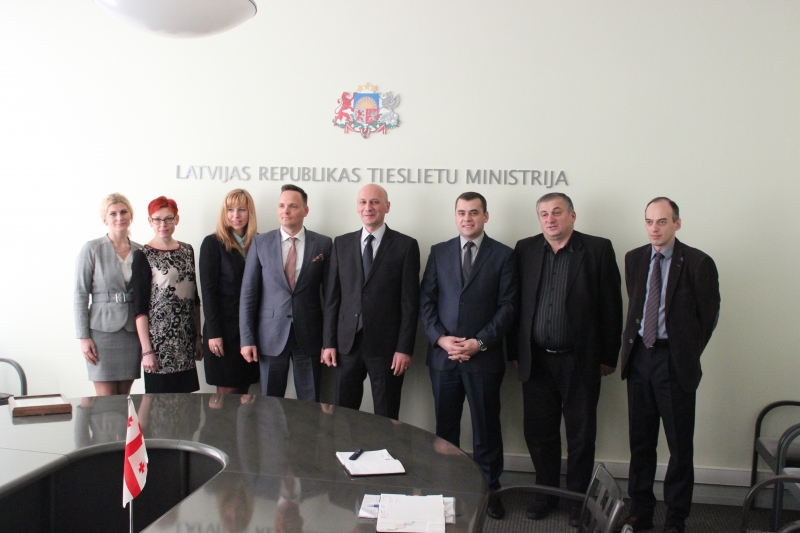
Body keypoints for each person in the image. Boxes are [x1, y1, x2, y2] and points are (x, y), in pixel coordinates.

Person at [510, 192, 622, 526]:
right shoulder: (525, 249)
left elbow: (612, 307)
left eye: (557, 212)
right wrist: (514, 352)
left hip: (580, 361)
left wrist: (608, 356)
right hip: (536, 361)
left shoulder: (597, 249)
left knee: (581, 436)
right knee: (539, 434)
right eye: (544, 214)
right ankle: (545, 495)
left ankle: (577, 502)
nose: (550, 219)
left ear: (572, 216)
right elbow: (515, 304)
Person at [618, 198, 720, 533]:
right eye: (649, 221)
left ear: (677, 223)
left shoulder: (698, 262)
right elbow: (636, 305)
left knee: (679, 446)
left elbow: (708, 317)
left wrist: (684, 353)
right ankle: (640, 513)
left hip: (674, 362)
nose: (654, 228)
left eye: (662, 221)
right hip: (640, 359)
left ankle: (676, 519)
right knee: (641, 443)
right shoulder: (634, 258)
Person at [419, 192, 518, 520]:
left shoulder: (503, 255)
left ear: (485, 216)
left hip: (483, 359)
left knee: (486, 429)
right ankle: (447, 487)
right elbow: (426, 301)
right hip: (443, 358)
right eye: (461, 212)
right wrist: (440, 339)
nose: (467, 218)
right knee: (445, 428)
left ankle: (490, 492)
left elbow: (508, 307)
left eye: (474, 212)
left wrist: (480, 342)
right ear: (455, 216)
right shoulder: (439, 252)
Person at [322, 184, 420, 420]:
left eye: (375, 202)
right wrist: (328, 343)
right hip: (347, 346)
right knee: (343, 416)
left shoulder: (406, 246)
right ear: (357, 207)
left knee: (386, 416)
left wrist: (404, 348)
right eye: (363, 202)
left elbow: (410, 303)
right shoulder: (341, 243)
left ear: (387, 206)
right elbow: (332, 298)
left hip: (387, 349)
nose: (368, 207)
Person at [240, 184, 332, 401]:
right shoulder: (260, 243)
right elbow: (248, 294)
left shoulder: (323, 244)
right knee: (269, 404)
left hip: (309, 336)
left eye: (292, 206)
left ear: (305, 210)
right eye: (281, 205)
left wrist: (329, 341)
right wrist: (247, 339)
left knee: (310, 405)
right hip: (270, 336)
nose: (285, 211)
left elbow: (330, 298)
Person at [132, 196, 203, 393]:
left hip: (185, 341)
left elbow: (195, 299)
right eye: (157, 219)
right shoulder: (143, 255)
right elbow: (139, 308)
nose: (163, 224)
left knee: (187, 405)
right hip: (159, 344)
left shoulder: (187, 250)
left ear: (176, 219)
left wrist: (198, 337)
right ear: (150, 221)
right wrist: (146, 350)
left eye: (168, 219)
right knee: (160, 405)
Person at [74, 193, 142, 396]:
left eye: (123, 212)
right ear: (105, 218)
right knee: (105, 401)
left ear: (131, 215)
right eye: (113, 213)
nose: (119, 217)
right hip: (101, 333)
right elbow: (80, 294)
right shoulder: (92, 249)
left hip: (132, 332)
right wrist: (83, 337)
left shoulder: (141, 251)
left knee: (125, 398)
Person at [200, 189, 260, 395]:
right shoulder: (212, 243)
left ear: (250, 212)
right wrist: (214, 333)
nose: (236, 215)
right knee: (226, 395)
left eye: (241, 209)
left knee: (245, 393)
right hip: (223, 330)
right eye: (230, 210)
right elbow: (208, 292)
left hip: (250, 330)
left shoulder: (259, 242)